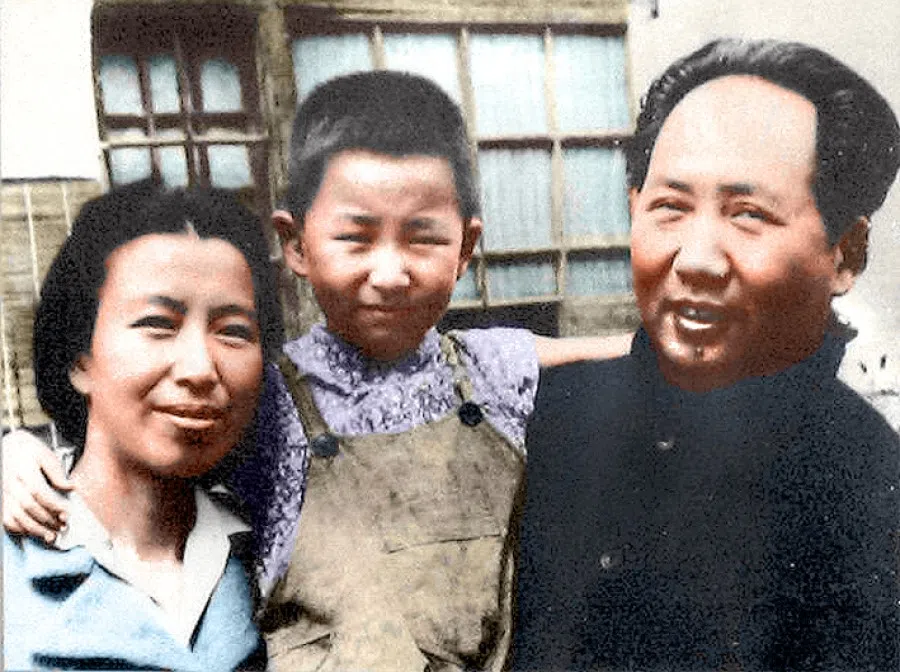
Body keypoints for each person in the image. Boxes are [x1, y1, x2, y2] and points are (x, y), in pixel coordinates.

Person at [3, 71, 631, 671]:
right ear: (296, 244)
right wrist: (21, 452)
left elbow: (630, 351)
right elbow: (134, 444)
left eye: (423, 239)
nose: (389, 274)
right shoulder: (265, 397)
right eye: (356, 238)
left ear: (466, 248)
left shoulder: (492, 369)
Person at [512, 38, 900, 670]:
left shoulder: (871, 485)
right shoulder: (547, 420)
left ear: (846, 254)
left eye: (748, 215)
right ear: (633, 209)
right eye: (670, 207)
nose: (695, 260)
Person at [3, 180, 280, 670]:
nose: (199, 368)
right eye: (158, 323)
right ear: (79, 357)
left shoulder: (273, 551)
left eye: (234, 331)